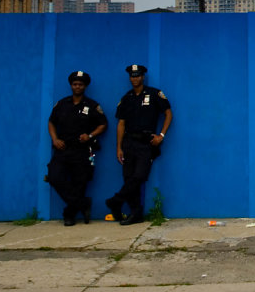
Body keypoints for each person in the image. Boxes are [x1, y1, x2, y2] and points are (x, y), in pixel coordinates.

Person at [105, 64, 172, 225]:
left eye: (137, 75)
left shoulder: (155, 93)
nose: (135, 78)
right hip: (129, 142)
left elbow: (168, 113)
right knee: (128, 177)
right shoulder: (126, 98)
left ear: (143, 77)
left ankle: (116, 200)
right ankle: (136, 213)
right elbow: (121, 123)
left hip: (146, 142)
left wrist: (161, 135)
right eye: (132, 76)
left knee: (139, 176)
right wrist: (118, 147)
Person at [48, 70, 108, 226]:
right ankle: (83, 203)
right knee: (54, 177)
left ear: (85, 86)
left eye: (80, 84)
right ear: (71, 85)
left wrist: (89, 135)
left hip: (81, 150)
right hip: (62, 148)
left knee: (79, 183)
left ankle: (70, 215)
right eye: (75, 84)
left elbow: (103, 125)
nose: (77, 87)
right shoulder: (61, 104)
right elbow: (51, 122)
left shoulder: (92, 105)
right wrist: (55, 139)